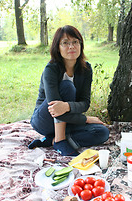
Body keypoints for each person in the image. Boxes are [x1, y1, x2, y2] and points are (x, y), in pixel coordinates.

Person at [28, 25, 109, 156]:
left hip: (67, 120)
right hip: (44, 119)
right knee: (67, 87)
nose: (71, 46)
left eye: (75, 42)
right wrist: (85, 119)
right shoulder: (51, 69)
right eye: (65, 43)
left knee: (102, 132)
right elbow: (55, 109)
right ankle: (60, 140)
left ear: (81, 45)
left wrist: (67, 106)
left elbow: (85, 104)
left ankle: (52, 140)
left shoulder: (86, 69)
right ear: (58, 48)